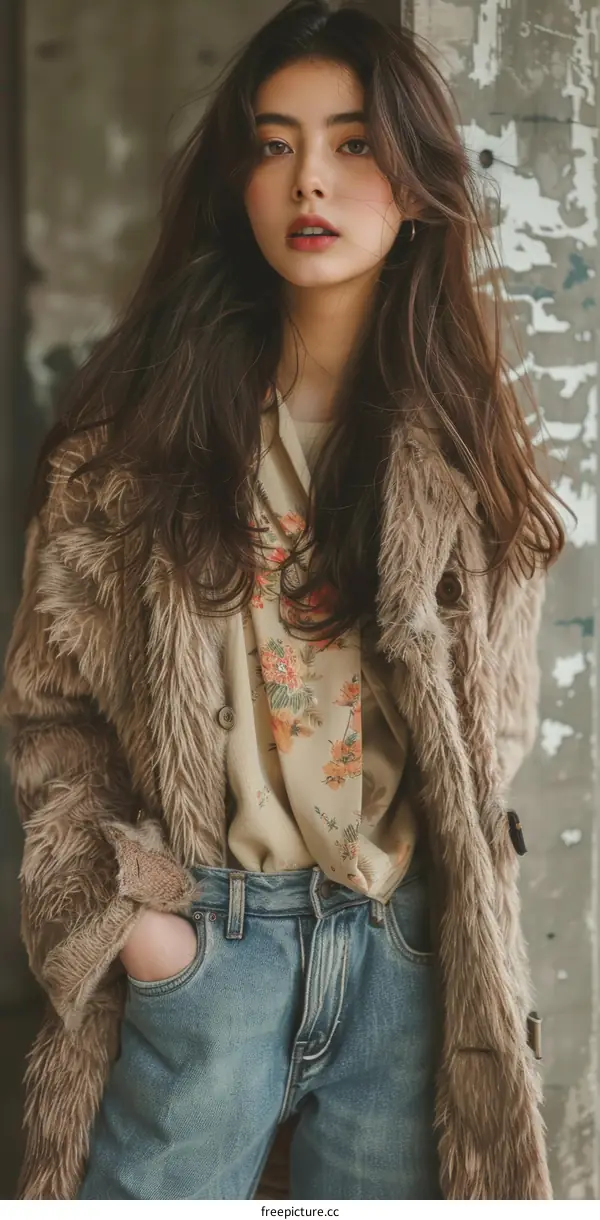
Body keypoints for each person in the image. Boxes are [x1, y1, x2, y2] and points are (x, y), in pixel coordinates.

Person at [0, 0, 566, 1202]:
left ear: (415, 184)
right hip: (211, 946)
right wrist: (139, 933)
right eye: (274, 142)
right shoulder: (132, 443)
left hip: (406, 959)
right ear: (239, 179)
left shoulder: (465, 447)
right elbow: (47, 712)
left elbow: (491, 720)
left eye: (355, 141)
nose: (311, 176)